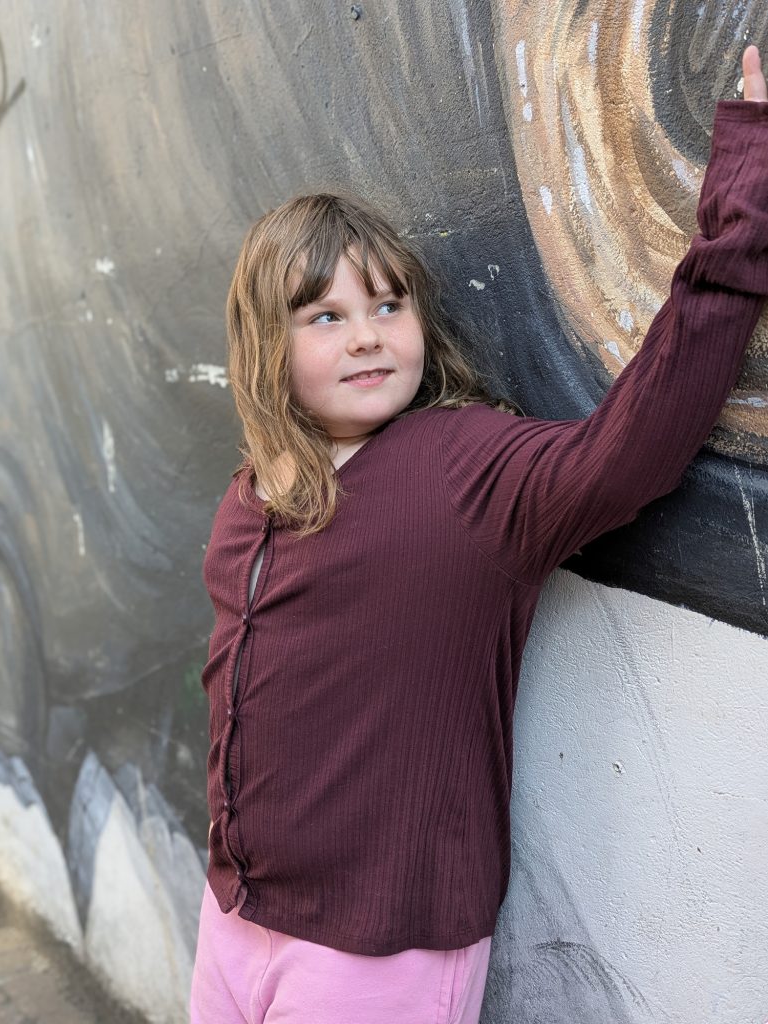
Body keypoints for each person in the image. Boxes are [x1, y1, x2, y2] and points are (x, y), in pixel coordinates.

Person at [190, 46, 768, 1024]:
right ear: (264, 349)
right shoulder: (254, 493)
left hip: (374, 951)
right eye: (323, 315)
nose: (367, 332)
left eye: (386, 303)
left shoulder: (462, 467)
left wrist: (744, 203)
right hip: (233, 920)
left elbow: (629, 451)